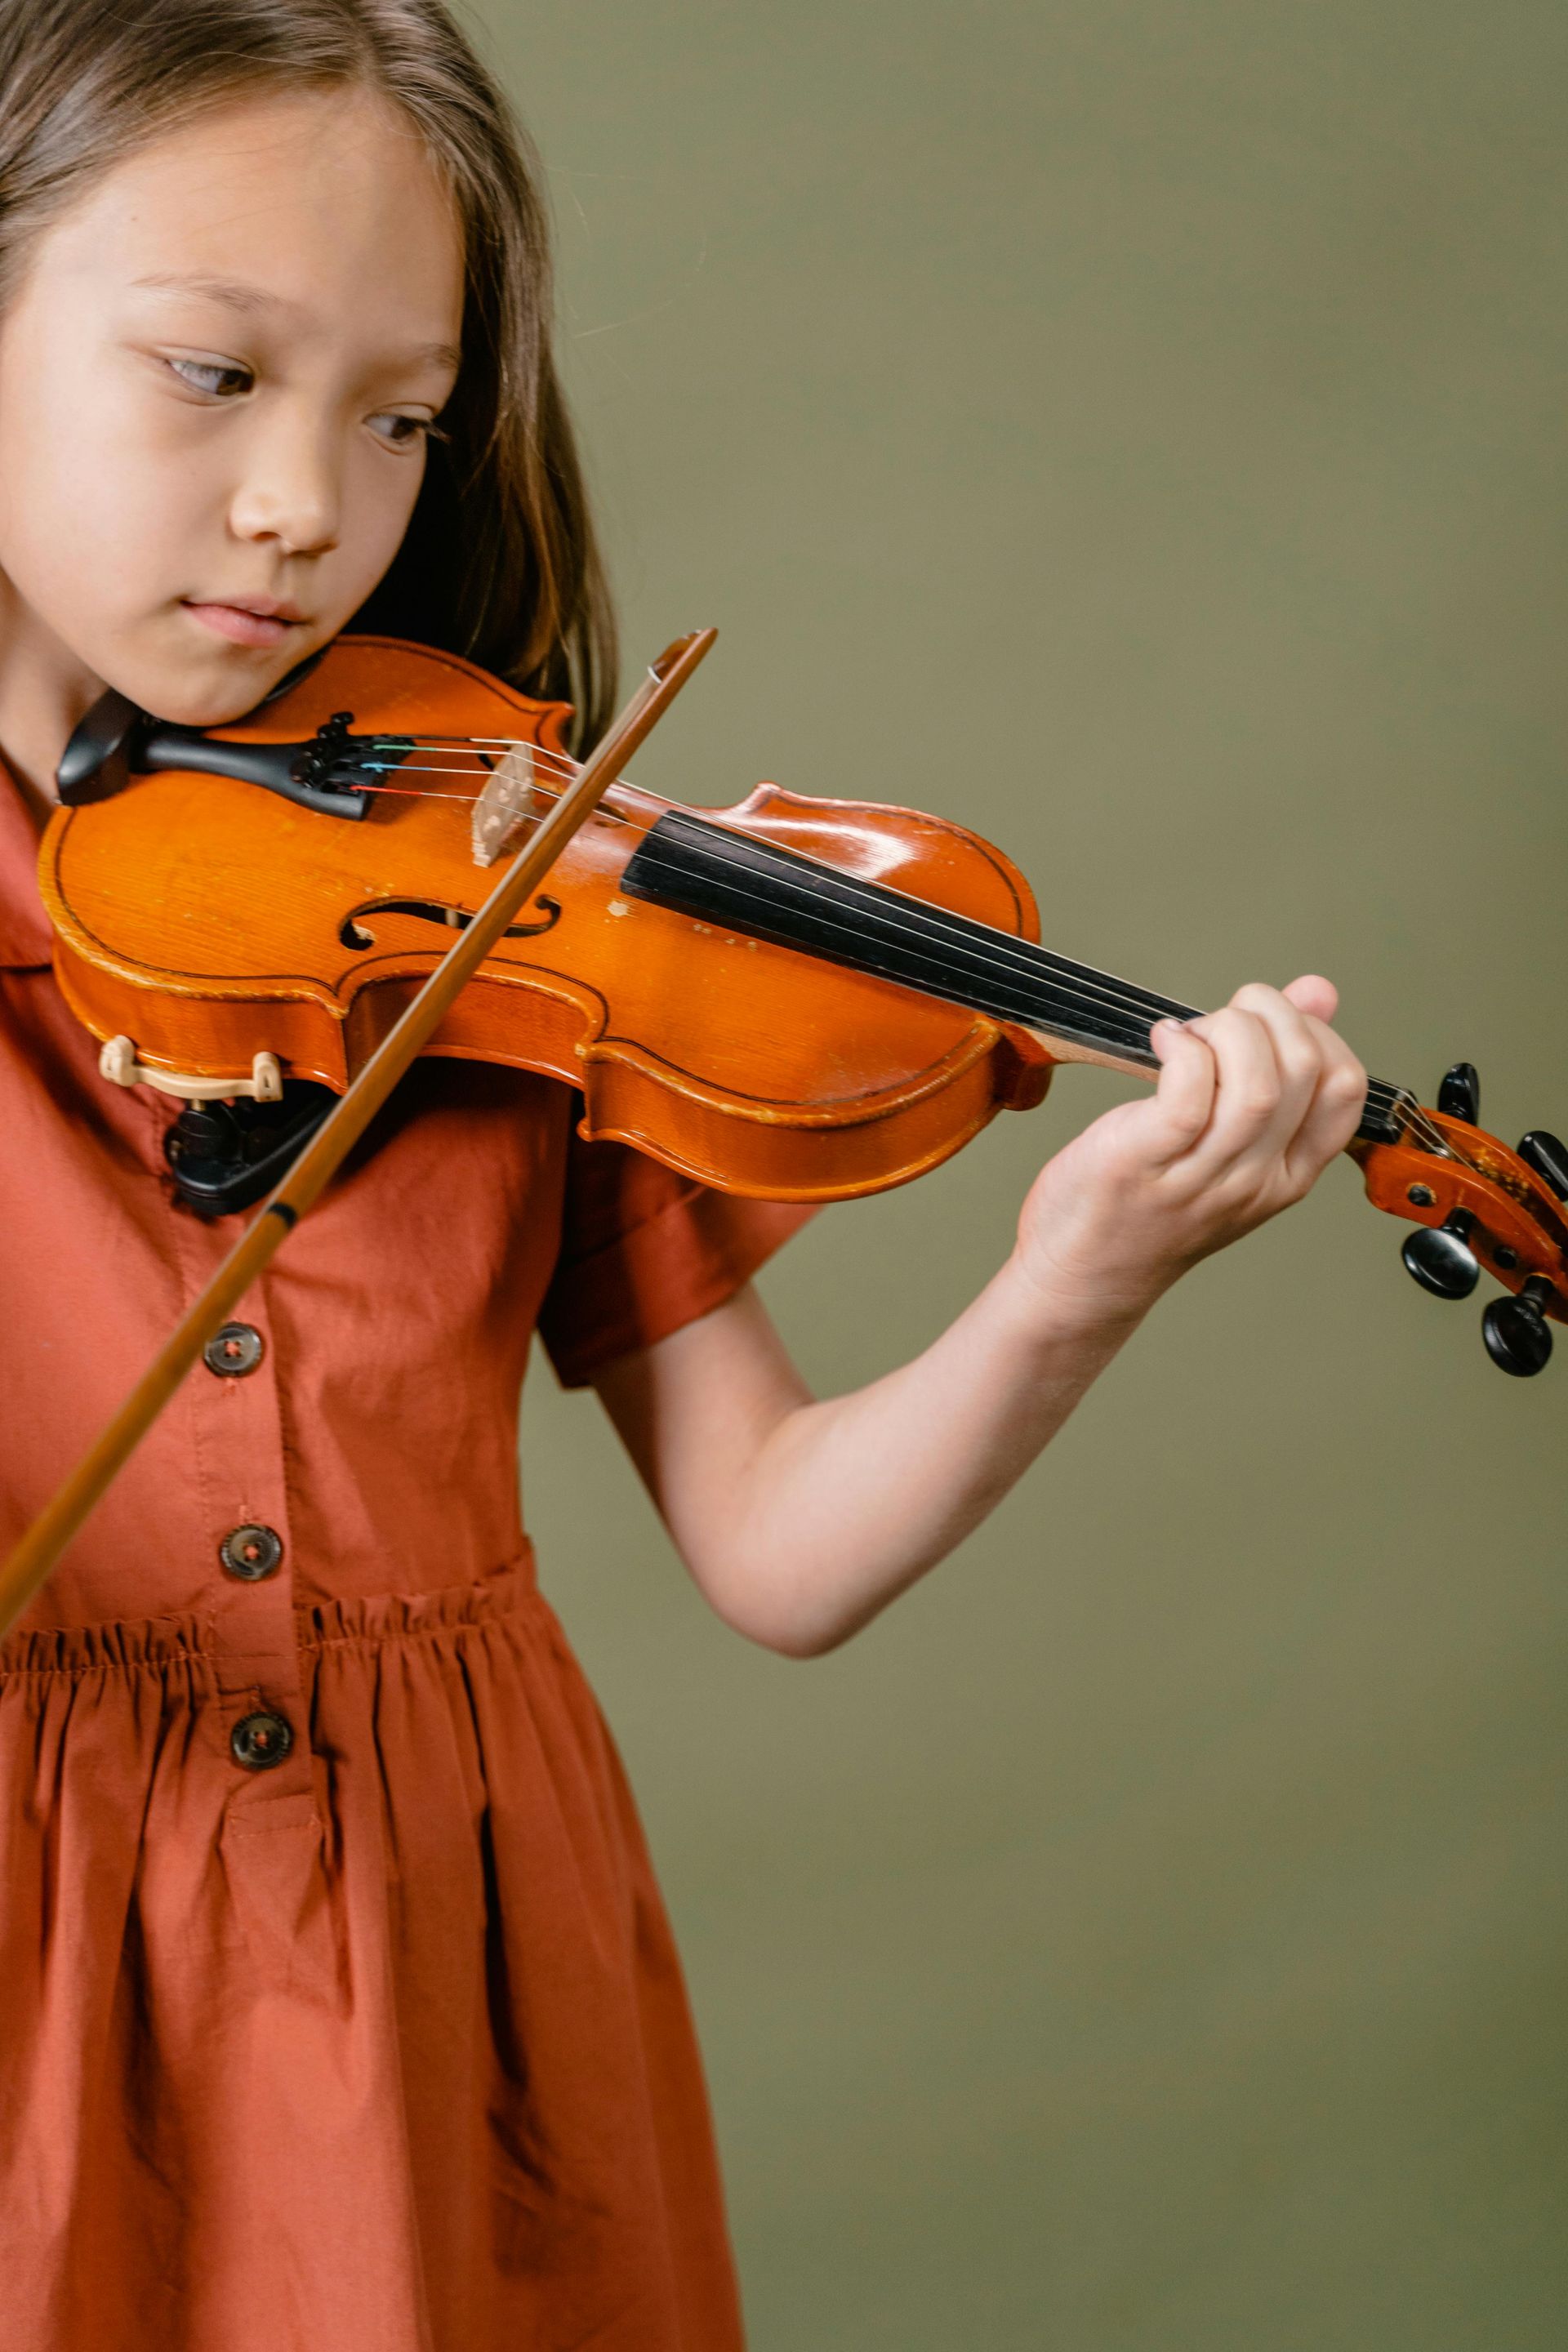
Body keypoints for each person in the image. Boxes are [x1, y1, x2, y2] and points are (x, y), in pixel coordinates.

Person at [0, 3, 1368, 2346]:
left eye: (400, 413)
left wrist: (1079, 1274)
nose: (306, 504)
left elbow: (780, 1547)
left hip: (450, 1970)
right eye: (212, 374)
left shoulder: (501, 901)